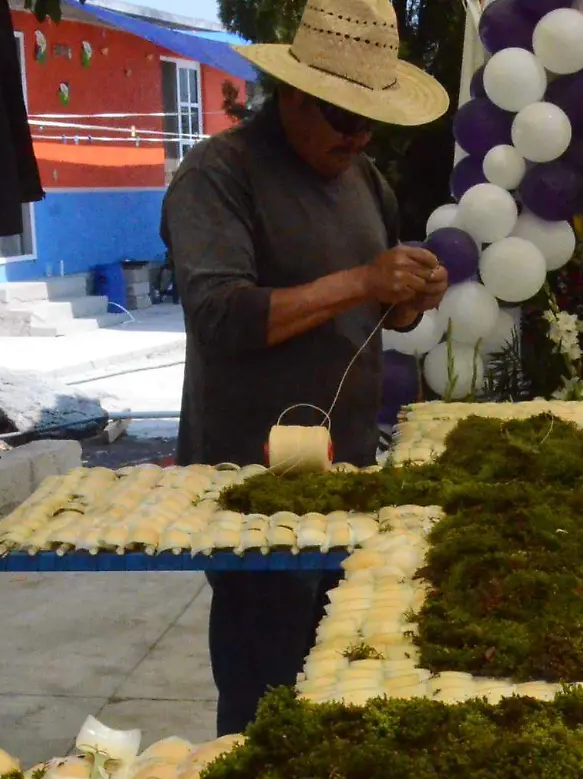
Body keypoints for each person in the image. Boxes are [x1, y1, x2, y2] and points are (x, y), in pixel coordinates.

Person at [162, 0, 451, 736]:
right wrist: (362, 279)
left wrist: (410, 298)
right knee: (266, 699)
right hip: (251, 485)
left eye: (368, 119)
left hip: (346, 477)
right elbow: (221, 316)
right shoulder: (219, 175)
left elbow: (375, 317)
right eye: (340, 117)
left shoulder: (365, 180)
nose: (357, 136)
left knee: (343, 688)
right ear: (291, 93)